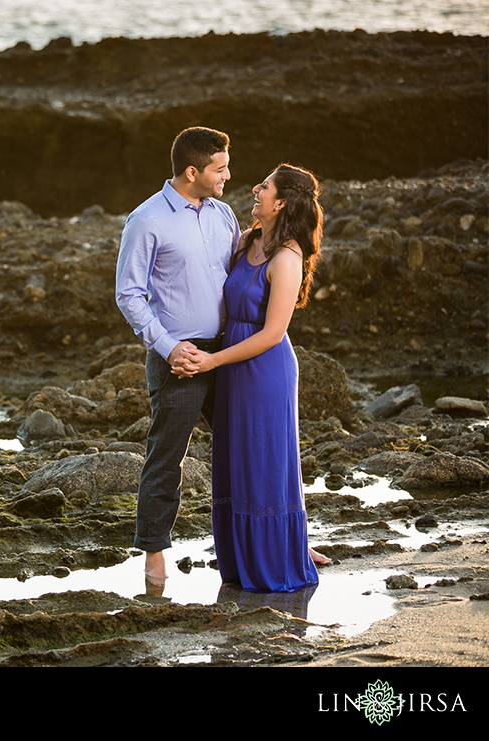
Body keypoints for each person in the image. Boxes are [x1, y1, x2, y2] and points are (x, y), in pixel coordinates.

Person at [174, 163, 327, 592]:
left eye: (264, 187)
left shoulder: (288, 256)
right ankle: (249, 557)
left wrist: (211, 361)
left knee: (264, 462)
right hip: (232, 367)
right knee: (237, 462)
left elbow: (273, 333)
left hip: (263, 370)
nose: (255, 190)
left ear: (279, 202)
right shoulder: (250, 239)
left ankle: (279, 555)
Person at [115, 126, 241, 584]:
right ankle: (154, 557)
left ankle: (266, 536)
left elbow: (242, 271)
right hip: (180, 360)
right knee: (166, 456)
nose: (228, 175)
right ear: (193, 171)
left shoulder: (224, 214)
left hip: (228, 354)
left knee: (247, 447)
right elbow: (129, 294)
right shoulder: (146, 220)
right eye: (220, 168)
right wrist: (169, 348)